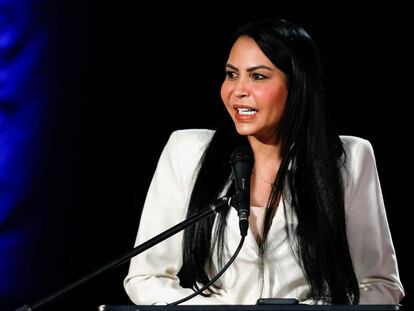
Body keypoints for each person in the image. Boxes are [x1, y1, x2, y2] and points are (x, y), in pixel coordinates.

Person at [123, 17, 404, 305]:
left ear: (297, 85)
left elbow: (380, 286)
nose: (238, 90)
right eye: (232, 74)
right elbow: (146, 278)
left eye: (257, 76)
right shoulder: (187, 151)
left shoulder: (349, 159)